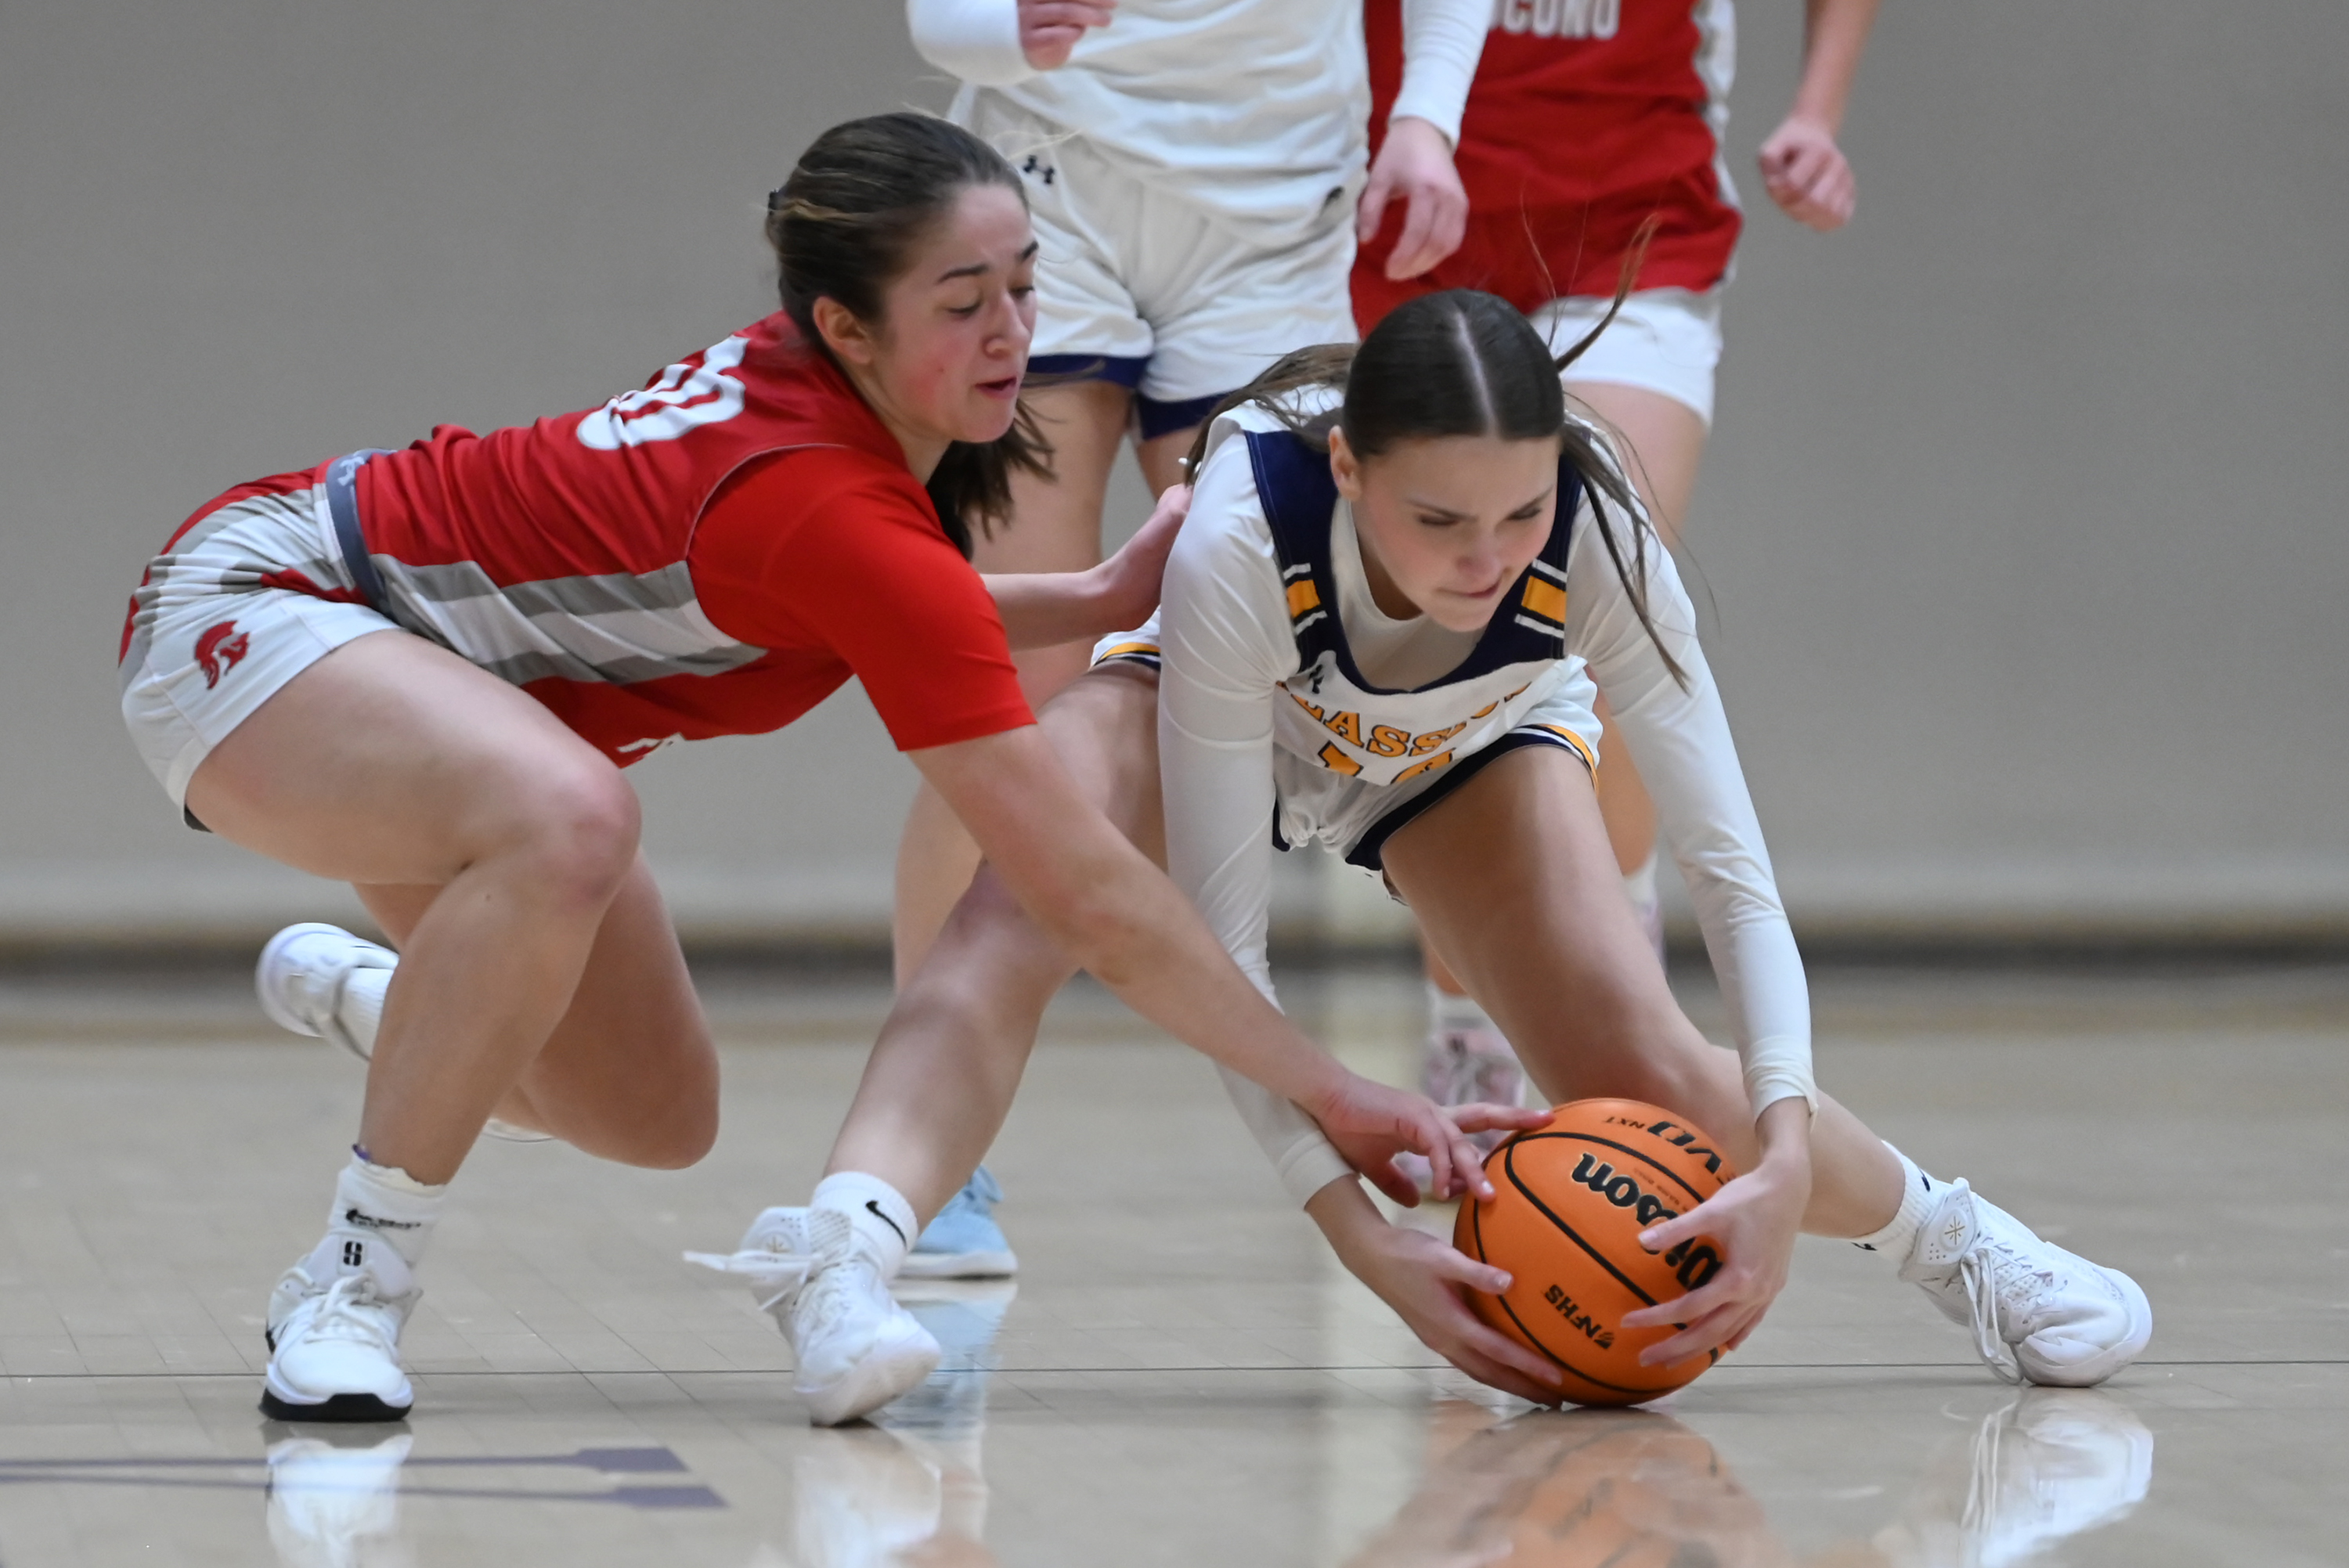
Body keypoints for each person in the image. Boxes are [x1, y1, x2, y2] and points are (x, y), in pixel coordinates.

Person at [115, 112, 1499, 1427]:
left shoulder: (837, 428)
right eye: (965, 302)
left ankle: (407, 1005)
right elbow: (1079, 886)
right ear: (843, 324)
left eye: (1026, 285)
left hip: (417, 683)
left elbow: (871, 598)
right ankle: (350, 1289)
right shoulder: (826, 501)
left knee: (654, 1116)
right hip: (261, 607)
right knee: (576, 812)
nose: (1014, 333)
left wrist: (1084, 597)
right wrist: (1334, 1089)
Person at [723, 290, 2151, 1414]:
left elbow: (1731, 871)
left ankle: (1956, 1242)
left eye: (1519, 513)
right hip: (1231, 705)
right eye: (1439, 519)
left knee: (1645, 1061)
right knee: (1021, 897)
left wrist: (1778, 1156)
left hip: (1472, 740)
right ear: (1348, 468)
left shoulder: (1601, 533)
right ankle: (842, 1253)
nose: (1487, 556)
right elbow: (1229, 951)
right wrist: (1357, 1236)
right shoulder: (1245, 529)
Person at [1354, 0, 1882, 1134]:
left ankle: (1615, 955)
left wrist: (1817, 110)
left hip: (1633, 226)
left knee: (1593, 609)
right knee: (1442, 650)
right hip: (1411, 214)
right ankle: (1468, 1020)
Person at [889, 0, 1491, 976]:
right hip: (1052, 184)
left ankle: (1479, 1041)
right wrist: (996, 26)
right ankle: (915, 1090)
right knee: (1010, 709)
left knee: (1346, 665)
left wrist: (1427, 118)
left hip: (1277, 213)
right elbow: (939, 15)